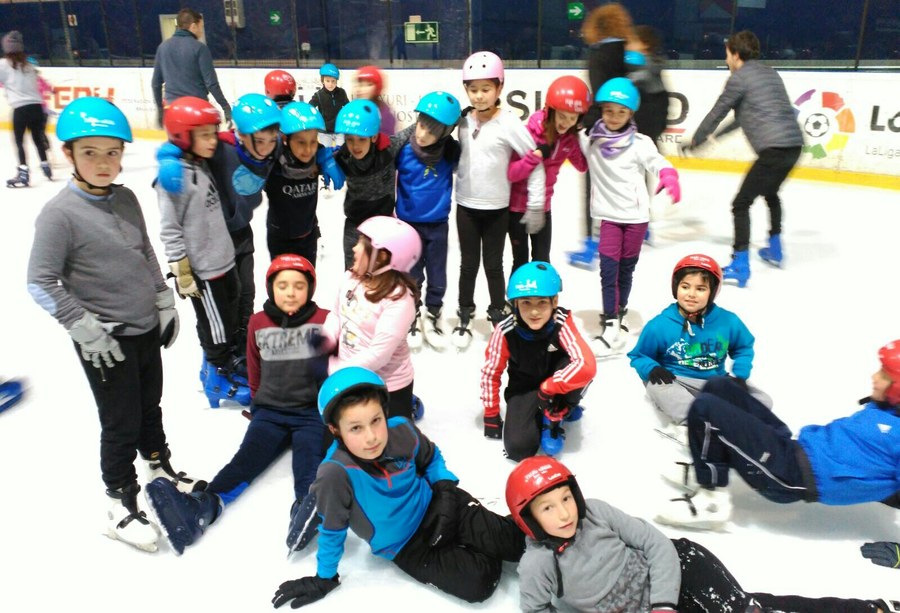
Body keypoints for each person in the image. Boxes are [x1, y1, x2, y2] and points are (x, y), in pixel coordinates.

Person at [26, 97, 202, 552]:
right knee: (120, 421)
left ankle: (158, 465)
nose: (104, 163)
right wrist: (80, 324)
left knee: (150, 405)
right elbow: (39, 281)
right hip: (105, 341)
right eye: (90, 152)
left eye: (112, 152)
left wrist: (163, 298)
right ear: (68, 154)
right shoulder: (59, 215)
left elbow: (143, 250)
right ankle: (119, 501)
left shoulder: (124, 198)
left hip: (143, 328)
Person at [270, 366, 525, 608]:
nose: (372, 437)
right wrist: (324, 577)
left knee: (515, 543)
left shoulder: (402, 429)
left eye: (376, 420)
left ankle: (490, 535)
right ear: (335, 430)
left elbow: (432, 458)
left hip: (441, 504)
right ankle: (485, 539)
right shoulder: (334, 474)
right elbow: (332, 530)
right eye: (356, 428)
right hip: (407, 546)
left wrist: (445, 489)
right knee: (480, 584)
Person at [507, 456, 898, 613]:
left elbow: (655, 544)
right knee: (755, 606)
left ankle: (869, 611)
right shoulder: (539, 563)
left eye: (565, 499)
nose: (563, 513)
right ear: (529, 518)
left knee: (748, 612)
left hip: (680, 569)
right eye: (547, 507)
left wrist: (661, 604)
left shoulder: (595, 512)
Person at [145, 255, 330, 555]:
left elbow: (341, 363)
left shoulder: (324, 320)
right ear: (271, 288)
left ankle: (307, 511)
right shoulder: (258, 322)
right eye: (283, 285)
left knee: (309, 464)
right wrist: (259, 404)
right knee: (244, 460)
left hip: (311, 414)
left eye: (299, 285)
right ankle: (202, 508)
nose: (291, 292)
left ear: (311, 288)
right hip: (270, 413)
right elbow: (255, 369)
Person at [655, 341, 900, 530]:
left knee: (706, 409)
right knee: (719, 387)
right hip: (793, 447)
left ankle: (710, 501)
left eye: (885, 376)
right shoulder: (888, 408)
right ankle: (707, 462)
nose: (875, 378)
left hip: (791, 476)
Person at [681, 30, 803, 287]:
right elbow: (739, 119)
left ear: (736, 54)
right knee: (771, 192)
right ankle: (775, 247)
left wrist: (696, 138)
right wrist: (709, 140)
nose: (726, 60)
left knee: (741, 203)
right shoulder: (770, 73)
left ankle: (740, 263)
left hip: (774, 148)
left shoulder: (739, 79)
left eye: (727, 54)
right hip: (794, 146)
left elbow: (718, 111)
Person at [156, 96, 249, 408]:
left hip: (224, 259)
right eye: (205, 134)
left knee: (229, 317)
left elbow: (220, 143)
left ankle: (224, 365)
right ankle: (218, 377)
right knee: (215, 326)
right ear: (184, 137)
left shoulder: (200, 162)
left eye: (214, 132)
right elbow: (169, 228)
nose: (212, 140)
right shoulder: (173, 176)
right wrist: (181, 268)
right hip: (203, 270)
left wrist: (220, 136)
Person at [579, 77, 681, 357]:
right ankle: (610, 322)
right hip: (609, 217)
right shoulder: (591, 140)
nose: (614, 117)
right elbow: (567, 135)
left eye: (621, 112)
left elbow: (656, 161)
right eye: (609, 110)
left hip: (636, 218)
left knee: (626, 270)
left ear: (631, 113)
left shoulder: (640, 142)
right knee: (608, 271)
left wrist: (668, 174)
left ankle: (620, 313)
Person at [453, 51, 546, 349]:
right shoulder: (463, 121)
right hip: (466, 206)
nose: (479, 96)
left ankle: (497, 312)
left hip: (496, 209)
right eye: (473, 89)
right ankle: (465, 311)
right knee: (468, 265)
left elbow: (535, 161)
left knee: (494, 265)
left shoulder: (509, 123)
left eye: (486, 89)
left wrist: (535, 203)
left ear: (499, 89)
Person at [628, 254, 771, 432]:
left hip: (715, 382)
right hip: (676, 380)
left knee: (763, 400)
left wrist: (740, 375)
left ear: (712, 292)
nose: (691, 294)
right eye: (685, 286)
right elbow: (638, 355)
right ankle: (696, 425)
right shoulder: (659, 325)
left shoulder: (728, 321)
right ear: (676, 287)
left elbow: (743, 347)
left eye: (701, 288)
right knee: (658, 387)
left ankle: (718, 417)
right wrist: (651, 368)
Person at [481, 262, 596, 460]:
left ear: (554, 301)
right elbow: (491, 373)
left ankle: (558, 414)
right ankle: (541, 413)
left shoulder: (561, 322)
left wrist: (550, 387)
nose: (534, 312)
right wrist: (491, 413)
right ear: (515, 304)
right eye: (526, 302)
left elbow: (586, 364)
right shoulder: (505, 330)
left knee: (579, 369)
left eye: (542, 302)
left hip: (556, 385)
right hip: (524, 388)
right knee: (518, 449)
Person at [322, 216, 421, 421]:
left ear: (382, 257)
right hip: (349, 374)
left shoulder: (399, 300)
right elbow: (336, 315)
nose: (355, 248)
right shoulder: (351, 278)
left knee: (387, 448)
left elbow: (379, 354)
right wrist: (324, 344)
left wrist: (336, 369)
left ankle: (406, 405)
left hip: (385, 386)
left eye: (362, 244)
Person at [394, 90, 462, 351]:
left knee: (437, 275)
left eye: (431, 131)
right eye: (421, 125)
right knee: (410, 276)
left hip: (437, 225)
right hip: (407, 224)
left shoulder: (450, 151)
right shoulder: (402, 147)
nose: (422, 134)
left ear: (445, 134)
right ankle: (411, 315)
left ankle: (432, 314)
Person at [567, 2, 633, 267]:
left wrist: (585, 124)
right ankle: (618, 239)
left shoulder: (599, 53)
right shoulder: (624, 54)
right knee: (617, 186)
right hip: (625, 127)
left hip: (602, 129)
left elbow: (600, 96)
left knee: (593, 188)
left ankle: (590, 244)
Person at [507, 75, 590, 273]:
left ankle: (542, 299)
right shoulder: (527, 133)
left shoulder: (569, 139)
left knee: (542, 260)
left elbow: (582, 166)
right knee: (520, 260)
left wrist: (584, 138)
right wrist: (534, 157)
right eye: (562, 116)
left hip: (544, 207)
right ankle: (516, 301)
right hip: (517, 209)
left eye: (572, 118)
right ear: (550, 111)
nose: (566, 123)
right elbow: (512, 173)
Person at [330, 99, 413, 269]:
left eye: (361, 139)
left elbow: (412, 130)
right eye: (350, 139)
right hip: (355, 225)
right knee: (353, 270)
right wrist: (324, 159)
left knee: (384, 273)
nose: (355, 145)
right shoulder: (342, 158)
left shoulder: (389, 150)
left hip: (384, 224)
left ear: (374, 137)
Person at [264, 101, 342, 265]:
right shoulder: (273, 164)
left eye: (313, 141)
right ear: (285, 139)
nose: (308, 150)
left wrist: (325, 156)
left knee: (306, 285)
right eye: (300, 142)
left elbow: (346, 151)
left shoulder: (317, 158)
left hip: (308, 236)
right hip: (280, 239)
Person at [151, 8, 232, 130]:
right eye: (201, 27)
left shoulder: (162, 47)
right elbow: (211, 83)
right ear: (193, 26)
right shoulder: (199, 48)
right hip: (196, 110)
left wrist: (160, 110)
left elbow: (156, 83)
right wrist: (226, 107)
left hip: (173, 110)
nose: (201, 31)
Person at [1, 30, 51, 187]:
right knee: (37, 138)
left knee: (19, 140)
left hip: (21, 108)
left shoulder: (3, 65)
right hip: (37, 107)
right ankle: (45, 165)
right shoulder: (29, 65)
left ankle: (23, 172)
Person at [309, 63, 349, 149]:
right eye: (327, 81)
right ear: (322, 80)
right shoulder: (318, 95)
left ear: (336, 81)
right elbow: (310, 107)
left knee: (341, 152)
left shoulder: (341, 93)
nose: (330, 84)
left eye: (333, 81)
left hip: (339, 129)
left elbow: (348, 107)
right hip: (325, 132)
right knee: (326, 153)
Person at [353, 65, 395, 139]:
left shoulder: (385, 115)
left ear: (377, 88)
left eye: (368, 85)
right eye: (360, 84)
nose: (362, 89)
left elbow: (388, 142)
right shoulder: (352, 109)